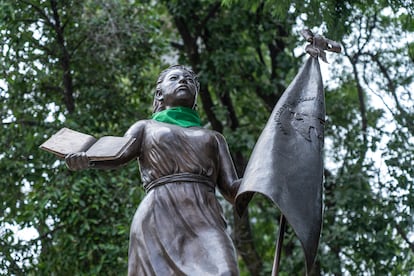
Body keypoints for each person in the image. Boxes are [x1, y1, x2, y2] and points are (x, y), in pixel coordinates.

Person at [65, 65, 241, 275]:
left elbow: (232, 191)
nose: (183, 81)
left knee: (226, 272)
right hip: (159, 215)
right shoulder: (146, 127)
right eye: (174, 78)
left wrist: (264, 172)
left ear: (196, 95)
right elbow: (118, 155)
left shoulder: (214, 137)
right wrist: (87, 160)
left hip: (206, 217)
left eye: (189, 80)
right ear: (159, 94)